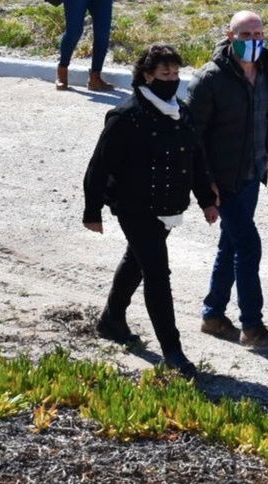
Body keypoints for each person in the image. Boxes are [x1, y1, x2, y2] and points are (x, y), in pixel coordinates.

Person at [82, 44, 219, 378]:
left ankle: (112, 319)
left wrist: (206, 199)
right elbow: (99, 166)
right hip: (133, 206)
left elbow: (195, 159)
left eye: (175, 73)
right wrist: (92, 210)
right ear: (146, 75)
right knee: (157, 273)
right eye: (164, 73)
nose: (172, 79)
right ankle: (172, 351)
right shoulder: (126, 116)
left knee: (137, 261)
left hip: (168, 205)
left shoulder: (181, 112)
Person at [187, 10, 268, 351]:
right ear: (229, 36)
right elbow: (192, 138)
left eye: (258, 34)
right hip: (223, 180)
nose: (254, 41)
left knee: (231, 243)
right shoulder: (209, 80)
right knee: (248, 245)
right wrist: (205, 184)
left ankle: (213, 315)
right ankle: (252, 326)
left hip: (252, 173)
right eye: (245, 35)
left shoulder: (267, 70)